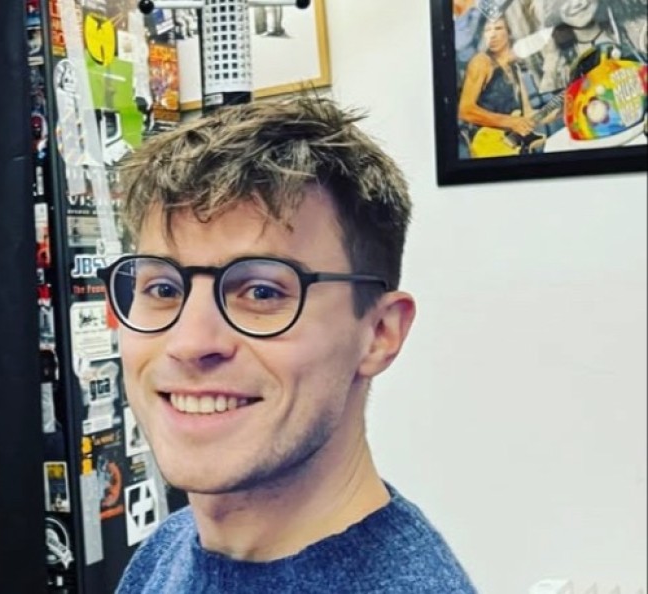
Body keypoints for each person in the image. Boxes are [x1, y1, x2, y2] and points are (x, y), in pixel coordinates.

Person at [98, 96, 477, 593]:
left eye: (262, 292)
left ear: (380, 333)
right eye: (163, 289)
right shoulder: (169, 547)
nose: (189, 342)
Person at [458, 15, 554, 157]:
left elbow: (527, 114)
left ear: (509, 33)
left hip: (513, 146)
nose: (492, 34)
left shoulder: (515, 69)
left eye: (498, 28)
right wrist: (511, 122)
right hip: (487, 143)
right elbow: (465, 110)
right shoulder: (481, 62)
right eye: (487, 30)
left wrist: (558, 110)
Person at [537, 0, 648, 93]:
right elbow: (550, 104)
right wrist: (552, 60)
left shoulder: (635, 30)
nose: (576, 3)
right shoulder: (559, 60)